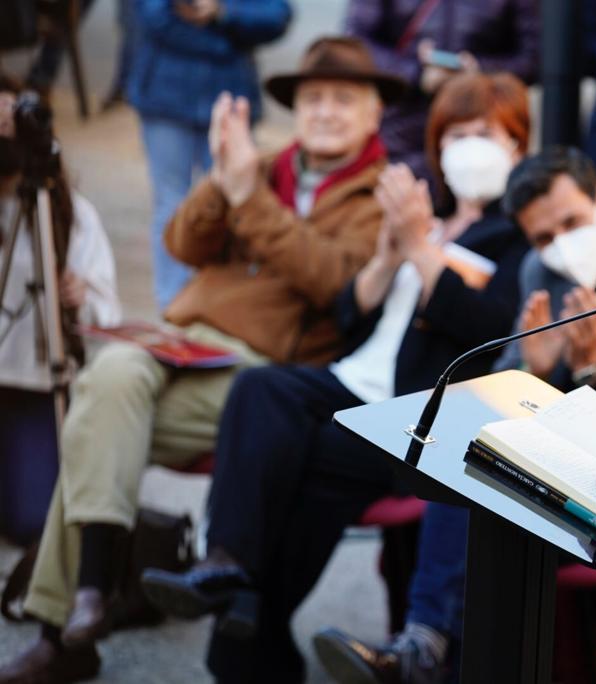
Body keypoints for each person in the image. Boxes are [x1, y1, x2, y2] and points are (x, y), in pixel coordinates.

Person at [0, 37, 402, 684]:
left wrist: (248, 197)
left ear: (375, 112)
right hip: (180, 343)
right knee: (111, 376)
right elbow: (181, 241)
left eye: (343, 99)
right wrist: (221, 177)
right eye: (314, 98)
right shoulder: (261, 164)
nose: (325, 111)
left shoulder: (382, 192)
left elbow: (335, 283)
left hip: (263, 375)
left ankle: (69, 624)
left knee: (94, 421)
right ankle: (91, 596)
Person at [140, 71, 533, 684]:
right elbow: (352, 311)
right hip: (350, 382)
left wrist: (422, 251)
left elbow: (489, 324)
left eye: (484, 133)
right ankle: (227, 563)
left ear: (517, 145)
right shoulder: (424, 218)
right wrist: (388, 252)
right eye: (454, 134)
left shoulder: (516, 237)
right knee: (260, 389)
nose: (468, 146)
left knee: (306, 463)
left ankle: (253, 627)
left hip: (414, 418)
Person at [311, 146, 596, 684]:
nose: (560, 247)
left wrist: (592, 372)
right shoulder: (539, 270)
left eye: (571, 223)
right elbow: (500, 390)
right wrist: (536, 366)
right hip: (549, 464)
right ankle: (426, 645)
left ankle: (424, 647)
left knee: (487, 506)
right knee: (466, 466)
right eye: (543, 238)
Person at [0, 71, 121, 544]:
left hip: (35, 383)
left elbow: (109, 314)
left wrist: (80, 297)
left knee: (32, 521)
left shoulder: (66, 211)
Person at [127, 0, 291, 309]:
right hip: (167, 97)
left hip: (230, 95)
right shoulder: (221, 46)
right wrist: (226, 42)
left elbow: (277, 16)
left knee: (237, 200)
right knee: (171, 201)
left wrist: (223, 14)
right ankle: (173, 301)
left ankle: (222, 298)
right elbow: (152, 16)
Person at [344, 0, 539, 186]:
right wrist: (417, 74)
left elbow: (535, 59)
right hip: (402, 131)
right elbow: (356, 45)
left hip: (478, 129)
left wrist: (477, 71)